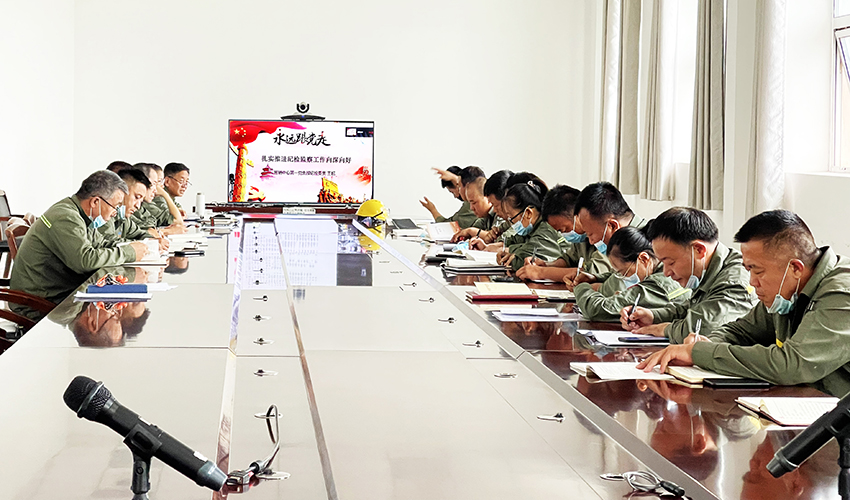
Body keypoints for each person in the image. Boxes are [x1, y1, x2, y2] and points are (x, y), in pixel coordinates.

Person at [638, 210, 850, 397]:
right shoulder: (787, 291)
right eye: (749, 270)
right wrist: (705, 344)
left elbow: (792, 364)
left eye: (758, 271)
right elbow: (741, 331)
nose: (752, 282)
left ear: (795, 268)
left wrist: (698, 353)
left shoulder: (841, 293)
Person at [10, 171, 148, 318]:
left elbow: (101, 243)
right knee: (107, 315)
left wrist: (133, 247)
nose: (115, 213)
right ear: (95, 202)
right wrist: (128, 253)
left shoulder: (82, 215)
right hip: (41, 302)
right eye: (115, 206)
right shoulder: (66, 217)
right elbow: (85, 261)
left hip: (61, 292)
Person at [621, 207, 755, 341]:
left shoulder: (734, 282)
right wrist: (653, 316)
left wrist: (664, 329)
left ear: (698, 249)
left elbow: (703, 330)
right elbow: (691, 309)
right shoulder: (708, 270)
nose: (666, 273)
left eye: (671, 262)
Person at [574, 227, 684, 322]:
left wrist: (581, 287)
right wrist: (595, 278)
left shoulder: (657, 284)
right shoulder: (659, 270)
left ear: (643, 259)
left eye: (624, 272)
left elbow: (597, 310)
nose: (623, 278)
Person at [516, 184, 613, 282]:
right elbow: (568, 260)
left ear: (578, 216)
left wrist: (540, 272)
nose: (564, 234)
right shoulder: (581, 239)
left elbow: (591, 273)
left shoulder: (604, 235)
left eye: (564, 229)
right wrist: (546, 265)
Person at [563, 182, 647, 293]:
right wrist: (594, 278)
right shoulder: (624, 241)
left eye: (591, 234)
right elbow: (616, 277)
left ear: (612, 226)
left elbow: (623, 290)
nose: (591, 242)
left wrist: (589, 288)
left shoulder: (644, 244)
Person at [495, 181, 564, 270]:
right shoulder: (531, 229)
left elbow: (521, 261)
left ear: (528, 213)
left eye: (511, 217)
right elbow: (512, 242)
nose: (511, 222)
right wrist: (511, 251)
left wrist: (513, 253)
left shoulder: (546, 229)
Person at [98, 169, 167, 252]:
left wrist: (153, 240)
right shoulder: (105, 213)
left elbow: (139, 233)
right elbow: (109, 241)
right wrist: (142, 244)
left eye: (141, 201)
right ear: (121, 192)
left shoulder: (123, 218)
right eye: (137, 197)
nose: (138, 206)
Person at [452, 169, 513, 243]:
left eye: (474, 203)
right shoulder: (485, 216)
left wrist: (472, 231)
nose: (471, 208)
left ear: (487, 197)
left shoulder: (503, 214)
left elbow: (501, 240)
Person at [142, 163, 184, 229]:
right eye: (157, 182)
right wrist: (165, 194)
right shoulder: (148, 204)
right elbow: (177, 220)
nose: (162, 185)